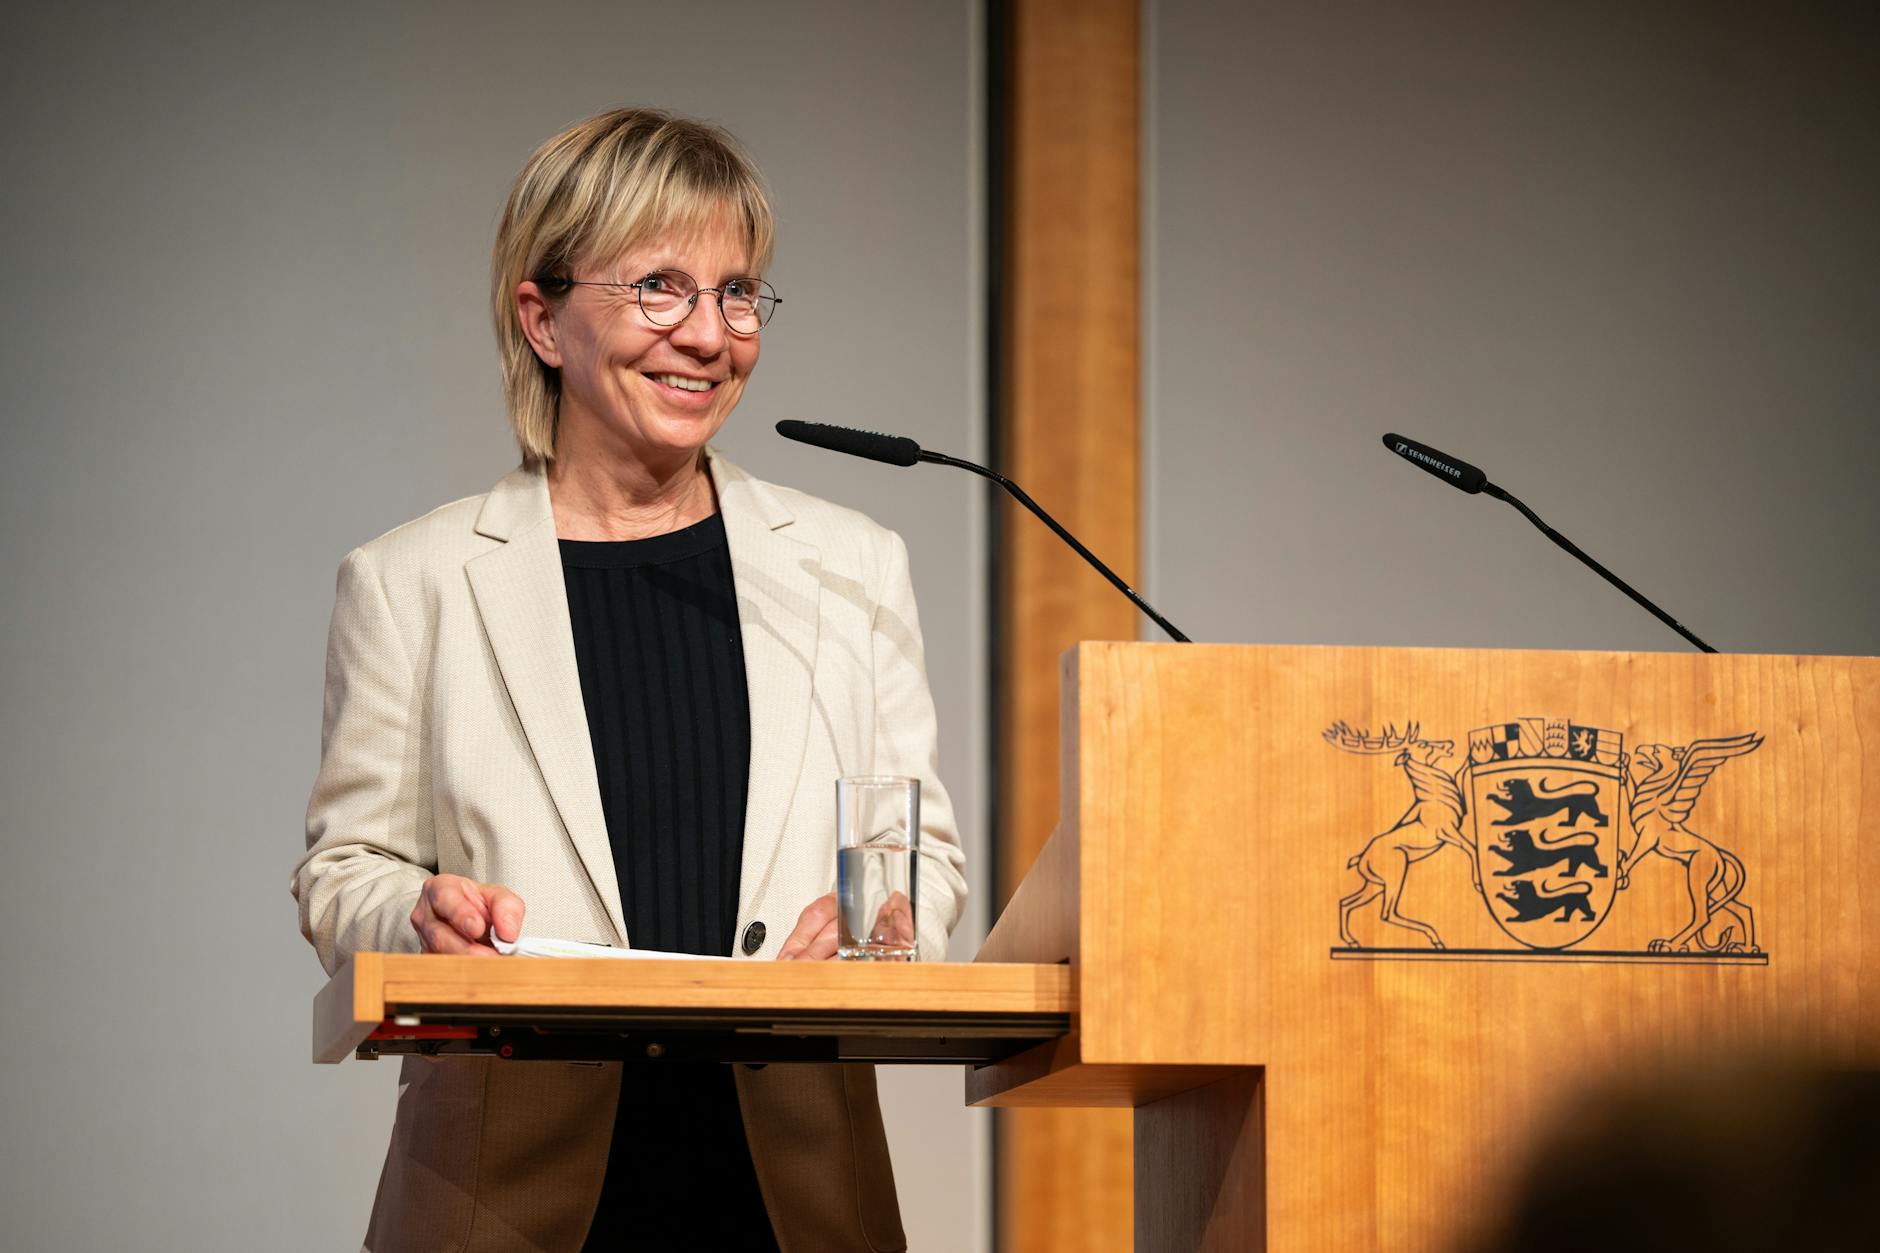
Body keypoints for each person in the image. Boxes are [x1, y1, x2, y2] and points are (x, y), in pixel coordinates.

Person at [292, 106, 968, 1253]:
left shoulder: (852, 565)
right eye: (659, 286)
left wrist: (881, 925)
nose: (709, 334)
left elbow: (922, 859)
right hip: (505, 1198)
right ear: (543, 317)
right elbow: (344, 869)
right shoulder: (414, 580)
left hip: (795, 1193)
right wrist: (415, 910)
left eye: (738, 292)